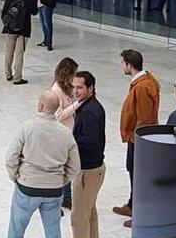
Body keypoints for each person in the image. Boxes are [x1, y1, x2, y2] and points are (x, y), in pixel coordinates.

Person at [4, 90, 80, 238]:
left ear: (40, 106)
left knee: (16, 229)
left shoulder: (27, 128)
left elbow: (11, 158)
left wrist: (17, 178)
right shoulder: (66, 133)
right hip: (54, 189)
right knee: (53, 231)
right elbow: (75, 166)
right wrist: (61, 180)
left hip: (27, 187)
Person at [113, 49, 160, 229]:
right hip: (135, 137)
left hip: (138, 139)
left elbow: (144, 117)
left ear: (129, 65)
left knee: (137, 172)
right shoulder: (145, 81)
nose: (121, 66)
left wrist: (135, 137)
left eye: (122, 63)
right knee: (131, 169)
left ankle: (139, 211)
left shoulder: (142, 87)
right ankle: (133, 204)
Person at [70, 71, 105, 238]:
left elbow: (90, 142)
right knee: (89, 212)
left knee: (78, 217)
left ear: (90, 88)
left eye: (80, 87)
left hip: (88, 171)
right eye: (74, 87)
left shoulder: (88, 112)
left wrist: (70, 143)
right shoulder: (90, 106)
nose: (76, 91)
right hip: (94, 169)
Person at [50, 57, 80, 209]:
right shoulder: (56, 91)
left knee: (67, 165)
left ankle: (66, 197)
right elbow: (58, 115)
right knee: (61, 167)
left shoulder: (68, 88)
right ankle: (60, 197)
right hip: (60, 135)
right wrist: (76, 105)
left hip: (69, 133)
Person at [1, 0, 38, 85]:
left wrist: (7, 23)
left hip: (10, 27)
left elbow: (4, 11)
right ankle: (17, 77)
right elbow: (34, 12)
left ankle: (8, 74)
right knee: (19, 54)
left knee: (9, 51)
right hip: (24, 28)